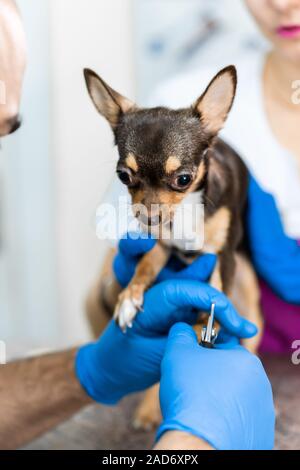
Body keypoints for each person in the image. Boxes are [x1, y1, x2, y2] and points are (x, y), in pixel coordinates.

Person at [0, 0, 275, 451]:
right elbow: (113, 285)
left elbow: (233, 267)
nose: (150, 207)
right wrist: (110, 324)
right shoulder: (159, 109)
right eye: (130, 180)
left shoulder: (220, 172)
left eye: (179, 181)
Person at [134, 0, 300, 354]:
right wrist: (124, 300)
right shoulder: (182, 111)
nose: (283, 5)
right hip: (233, 371)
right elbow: (99, 311)